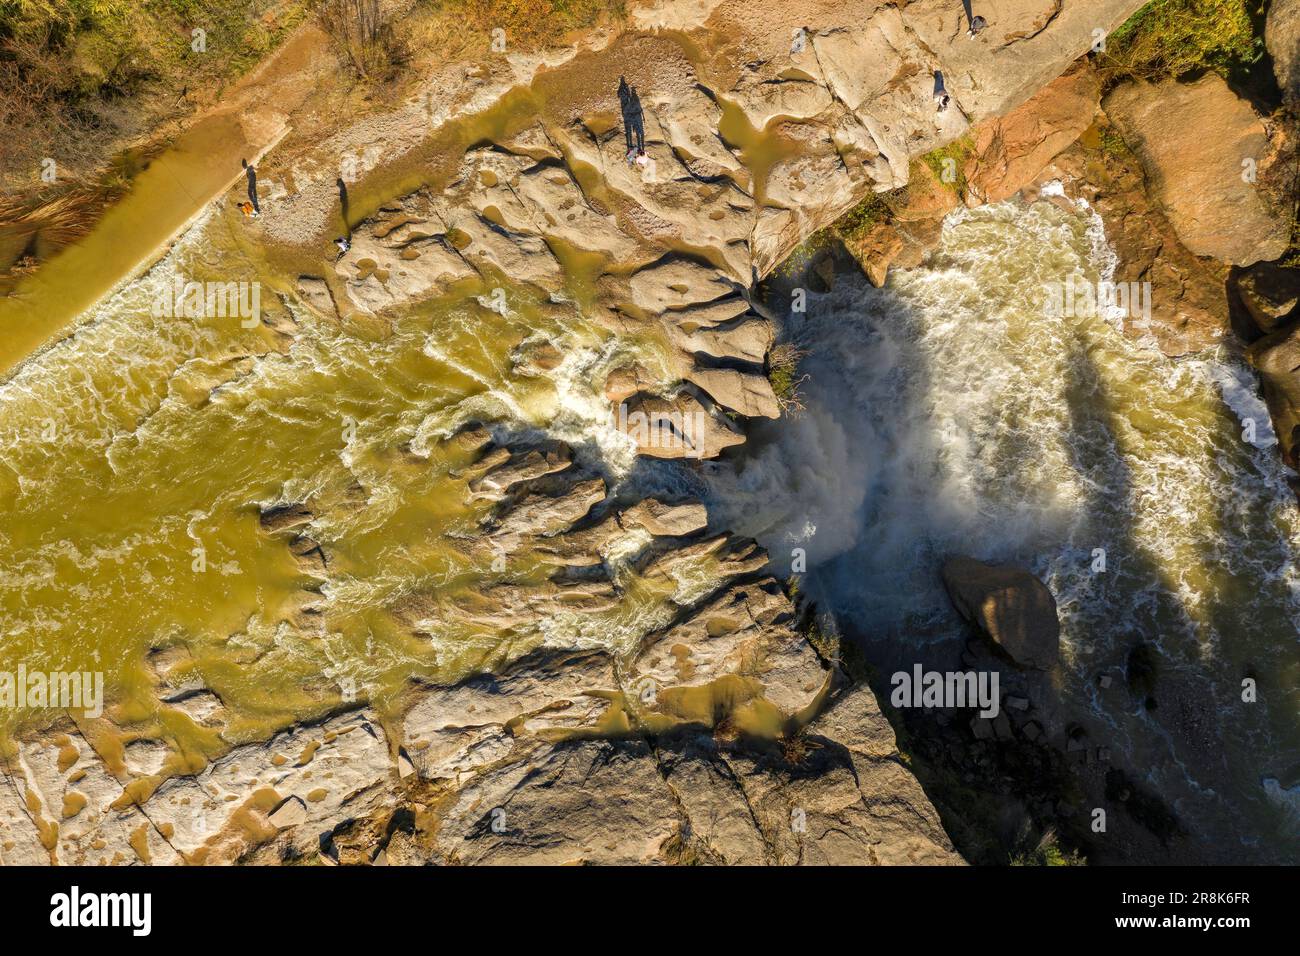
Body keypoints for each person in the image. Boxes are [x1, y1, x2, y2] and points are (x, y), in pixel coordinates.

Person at [618, 76, 645, 158]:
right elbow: (639, 109)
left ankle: (632, 149)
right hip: (634, 115)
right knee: (639, 132)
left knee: (630, 132)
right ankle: (638, 149)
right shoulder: (635, 102)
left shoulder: (634, 101)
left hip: (630, 115)